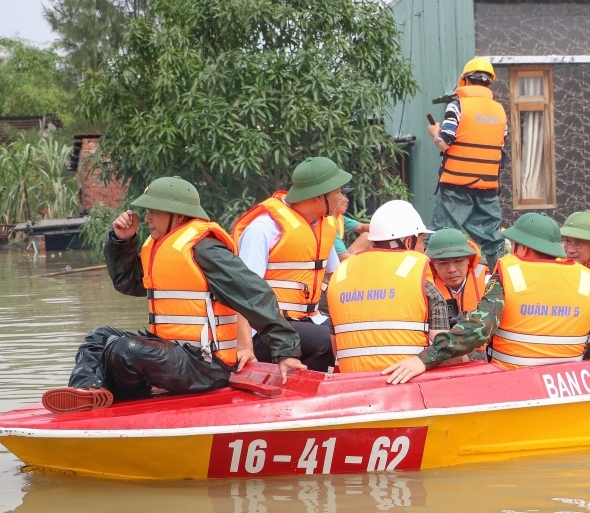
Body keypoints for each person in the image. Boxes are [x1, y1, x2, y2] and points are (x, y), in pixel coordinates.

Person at [41, 177, 304, 414]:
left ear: (178, 217)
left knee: (125, 349)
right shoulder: (159, 247)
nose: (147, 219)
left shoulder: (206, 249)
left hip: (205, 366)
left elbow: (255, 295)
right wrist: (122, 242)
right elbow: (128, 283)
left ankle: (122, 390)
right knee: (99, 337)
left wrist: (285, 350)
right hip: (174, 355)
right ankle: (87, 392)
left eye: (154, 212)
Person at [382, 213, 590, 385]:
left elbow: (478, 330)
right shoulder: (587, 279)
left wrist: (425, 358)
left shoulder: (509, 273)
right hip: (566, 383)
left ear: (521, 246)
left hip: (513, 383)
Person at [231, 157, 350, 372]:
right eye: (337, 192)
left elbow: (337, 278)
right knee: (326, 342)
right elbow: (243, 292)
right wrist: (245, 346)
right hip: (267, 330)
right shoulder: (263, 229)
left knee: (348, 337)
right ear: (318, 197)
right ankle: (295, 390)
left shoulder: (324, 226)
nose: (341, 197)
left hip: (309, 320)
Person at [327, 200, 451, 373]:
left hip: (352, 385)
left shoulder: (341, 275)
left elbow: (336, 348)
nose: (424, 249)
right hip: (407, 386)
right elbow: (442, 349)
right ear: (409, 243)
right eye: (423, 241)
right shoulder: (423, 284)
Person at [427, 57, 508, 269]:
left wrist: (435, 132)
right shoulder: (500, 112)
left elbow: (445, 142)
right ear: (490, 83)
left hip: (455, 188)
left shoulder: (457, 106)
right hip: (488, 189)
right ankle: (504, 285)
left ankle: (432, 287)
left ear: (465, 81)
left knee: (442, 238)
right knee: (493, 241)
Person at [425, 228, 489, 327]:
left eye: (458, 261)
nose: (451, 269)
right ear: (433, 263)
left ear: (468, 259)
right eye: (443, 263)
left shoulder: (488, 281)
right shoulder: (424, 286)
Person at [329, 186, 370, 261]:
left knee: (368, 236)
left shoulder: (339, 218)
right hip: (335, 263)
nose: (347, 200)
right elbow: (342, 257)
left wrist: (382, 228)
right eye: (344, 196)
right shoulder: (328, 222)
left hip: (343, 257)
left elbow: (361, 227)